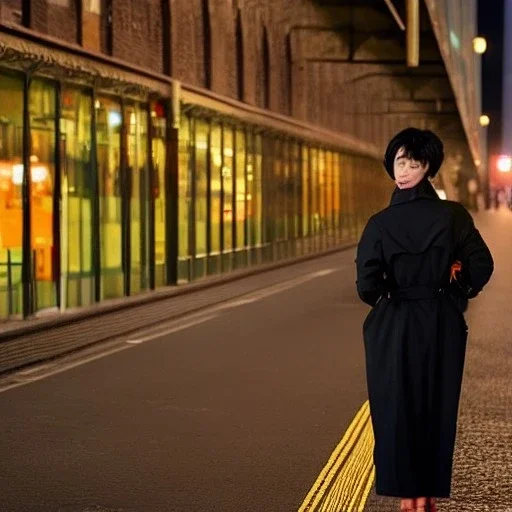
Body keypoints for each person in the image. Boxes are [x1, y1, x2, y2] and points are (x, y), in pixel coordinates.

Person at [355, 128, 494, 512]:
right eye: (400, 162)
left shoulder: (379, 224)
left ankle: (407, 499)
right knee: (435, 404)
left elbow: (366, 285)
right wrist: (455, 288)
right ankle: (426, 495)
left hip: (395, 322)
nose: (404, 170)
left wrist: (388, 297)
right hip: (439, 320)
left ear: (427, 166)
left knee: (395, 406)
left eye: (412, 163)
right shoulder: (453, 216)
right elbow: (481, 265)